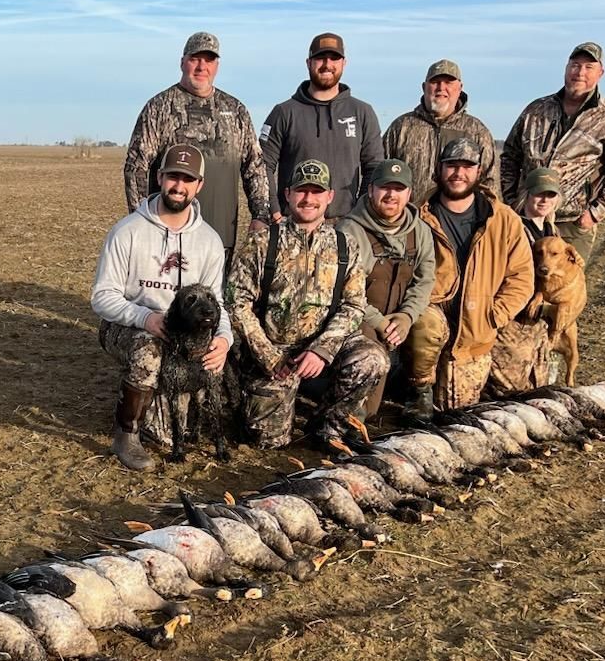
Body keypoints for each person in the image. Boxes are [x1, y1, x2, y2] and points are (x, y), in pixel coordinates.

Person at [226, 158, 388, 449]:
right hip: (275, 353)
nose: (309, 199)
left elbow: (353, 306)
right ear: (288, 194)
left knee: (372, 358)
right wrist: (269, 357)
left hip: (324, 348)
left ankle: (329, 425)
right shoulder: (261, 243)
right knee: (268, 442)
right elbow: (236, 303)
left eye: (317, 191)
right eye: (302, 190)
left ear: (330, 196)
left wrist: (322, 350)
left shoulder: (345, 246)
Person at [93, 144, 232, 471]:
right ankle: (126, 434)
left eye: (188, 179)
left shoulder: (210, 241)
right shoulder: (127, 231)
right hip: (128, 327)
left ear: (200, 185)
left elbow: (217, 303)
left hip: (182, 335)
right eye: (173, 176)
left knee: (171, 437)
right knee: (149, 350)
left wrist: (224, 340)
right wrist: (145, 318)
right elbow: (102, 297)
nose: (179, 186)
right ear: (159, 177)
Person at [408, 139, 534, 413]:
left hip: (476, 329)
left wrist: (494, 316)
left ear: (479, 172)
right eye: (452, 165)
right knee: (425, 324)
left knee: (457, 411)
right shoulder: (417, 217)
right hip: (434, 323)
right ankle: (418, 387)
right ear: (439, 169)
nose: (458, 173)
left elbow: (522, 278)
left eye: (467, 166)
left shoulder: (504, 220)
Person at [123, 32, 270, 267]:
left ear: (217, 66)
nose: (202, 66)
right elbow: (136, 166)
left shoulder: (235, 110)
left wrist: (260, 215)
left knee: (216, 289)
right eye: (195, 59)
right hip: (166, 233)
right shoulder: (159, 108)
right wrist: (141, 217)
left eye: (209, 60)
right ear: (182, 62)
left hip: (220, 234)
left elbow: (255, 167)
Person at [500, 42, 605, 263]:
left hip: (571, 224)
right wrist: (511, 201)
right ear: (566, 68)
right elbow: (510, 155)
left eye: (588, 67)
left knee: (565, 284)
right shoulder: (536, 110)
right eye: (575, 65)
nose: (580, 72)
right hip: (525, 220)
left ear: (600, 73)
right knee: (519, 281)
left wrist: (594, 213)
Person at [334, 158, 437, 418]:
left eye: (399, 188)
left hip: (398, 319)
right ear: (371, 190)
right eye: (384, 187)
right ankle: (344, 406)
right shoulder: (349, 230)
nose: (391, 195)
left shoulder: (421, 231)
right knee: (368, 410)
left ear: (409, 194)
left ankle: (417, 392)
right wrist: (379, 323)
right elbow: (344, 292)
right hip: (361, 317)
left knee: (432, 323)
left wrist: (407, 316)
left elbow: (424, 281)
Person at [260, 33, 383, 222]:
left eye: (334, 58)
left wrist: (360, 213)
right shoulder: (284, 112)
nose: (327, 64)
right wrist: (274, 211)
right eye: (320, 58)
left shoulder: (362, 112)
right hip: (294, 223)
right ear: (308, 63)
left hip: (346, 224)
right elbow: (262, 165)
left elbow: (374, 167)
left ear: (344, 63)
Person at [488, 167, 564, 394]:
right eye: (539, 193)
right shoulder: (513, 227)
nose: (544, 200)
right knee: (510, 389)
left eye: (550, 194)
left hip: (538, 324)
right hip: (514, 322)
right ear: (526, 194)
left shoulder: (552, 231)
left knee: (538, 387)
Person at [382, 59, 498, 205]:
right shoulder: (401, 127)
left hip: (458, 218)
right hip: (409, 217)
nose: (441, 88)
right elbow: (380, 175)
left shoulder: (477, 132)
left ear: (460, 88)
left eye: (448, 82)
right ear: (424, 87)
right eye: (435, 82)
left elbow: (490, 186)